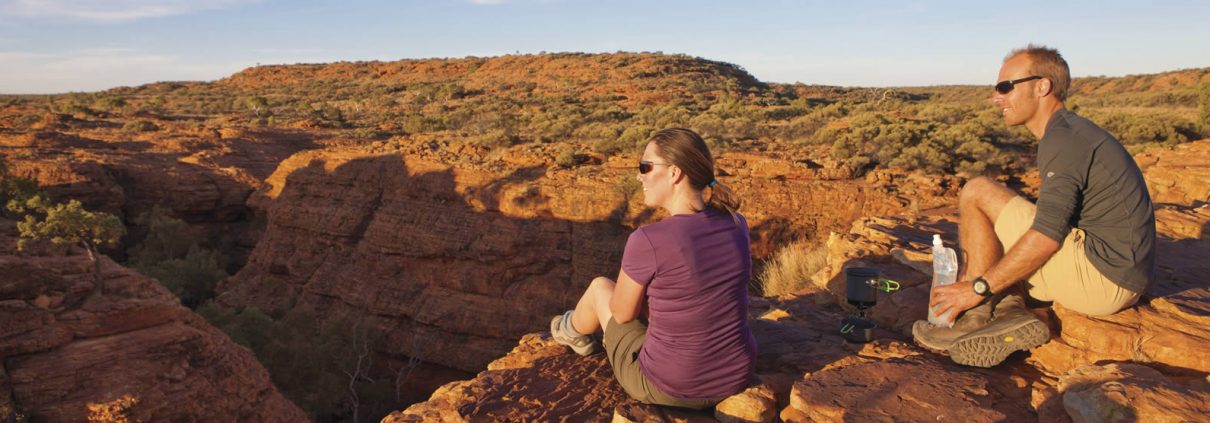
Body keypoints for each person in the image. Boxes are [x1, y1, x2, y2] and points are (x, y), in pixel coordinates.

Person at [913, 45, 1156, 368]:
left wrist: (977, 288)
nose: (996, 97)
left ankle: (974, 316)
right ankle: (1012, 313)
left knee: (977, 191)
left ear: (1042, 86)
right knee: (1006, 239)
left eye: (1005, 87)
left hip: (1103, 279)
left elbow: (1046, 236)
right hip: (1114, 274)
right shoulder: (1068, 132)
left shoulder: (1064, 140)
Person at [549, 128, 756, 409]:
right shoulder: (736, 222)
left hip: (671, 386)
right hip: (735, 375)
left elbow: (622, 314)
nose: (639, 175)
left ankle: (569, 330)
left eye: (645, 166)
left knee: (600, 288)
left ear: (674, 172)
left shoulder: (649, 239)